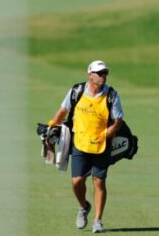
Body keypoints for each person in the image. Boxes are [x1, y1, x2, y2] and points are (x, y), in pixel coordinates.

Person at [46, 60, 124, 234]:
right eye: (100, 73)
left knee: (99, 182)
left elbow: (118, 121)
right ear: (90, 75)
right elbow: (63, 111)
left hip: (102, 146)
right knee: (77, 182)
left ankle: (98, 220)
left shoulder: (111, 95)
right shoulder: (77, 91)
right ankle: (83, 206)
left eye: (105, 73)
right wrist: (52, 125)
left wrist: (105, 135)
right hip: (80, 143)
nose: (103, 76)